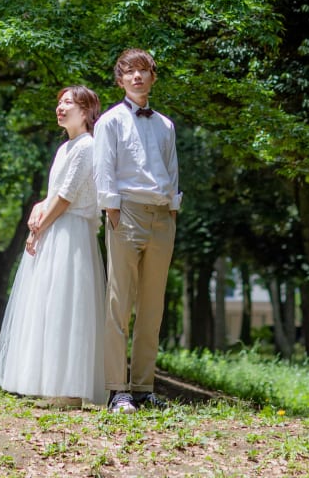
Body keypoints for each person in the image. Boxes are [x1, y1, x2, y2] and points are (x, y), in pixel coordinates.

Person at [0, 84, 106, 407]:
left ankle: (70, 391)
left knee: (68, 306)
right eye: (59, 102)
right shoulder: (65, 149)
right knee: (50, 306)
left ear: (85, 111)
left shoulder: (87, 146)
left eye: (68, 102)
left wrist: (39, 224)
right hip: (55, 230)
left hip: (70, 234)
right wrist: (39, 208)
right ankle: (54, 386)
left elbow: (68, 196)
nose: (60, 107)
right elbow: (56, 192)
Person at [93, 48, 180, 413]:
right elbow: (104, 169)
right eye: (130, 72)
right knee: (120, 303)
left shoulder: (165, 124)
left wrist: (172, 209)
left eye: (144, 71)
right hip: (125, 212)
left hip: (162, 215)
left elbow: (172, 169)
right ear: (120, 79)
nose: (138, 77)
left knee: (153, 307)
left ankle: (144, 388)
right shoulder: (109, 122)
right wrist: (112, 210)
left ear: (153, 77)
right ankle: (118, 389)